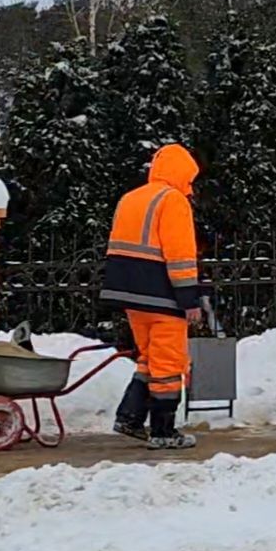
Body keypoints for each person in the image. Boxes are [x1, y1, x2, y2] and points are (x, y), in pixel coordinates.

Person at [100, 143, 205, 449]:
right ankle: (163, 432)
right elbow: (180, 255)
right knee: (170, 366)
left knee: (151, 359)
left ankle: (130, 418)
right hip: (162, 296)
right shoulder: (173, 201)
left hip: (131, 296)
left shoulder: (131, 198)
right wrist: (189, 300)